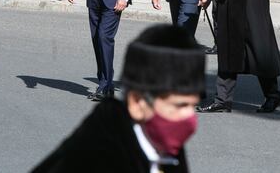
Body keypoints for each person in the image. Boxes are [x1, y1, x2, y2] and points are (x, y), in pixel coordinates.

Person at [31, 24, 205, 173]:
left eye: (193, 105)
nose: (190, 119)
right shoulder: (96, 157)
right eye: (180, 105)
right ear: (137, 103)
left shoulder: (165, 146)